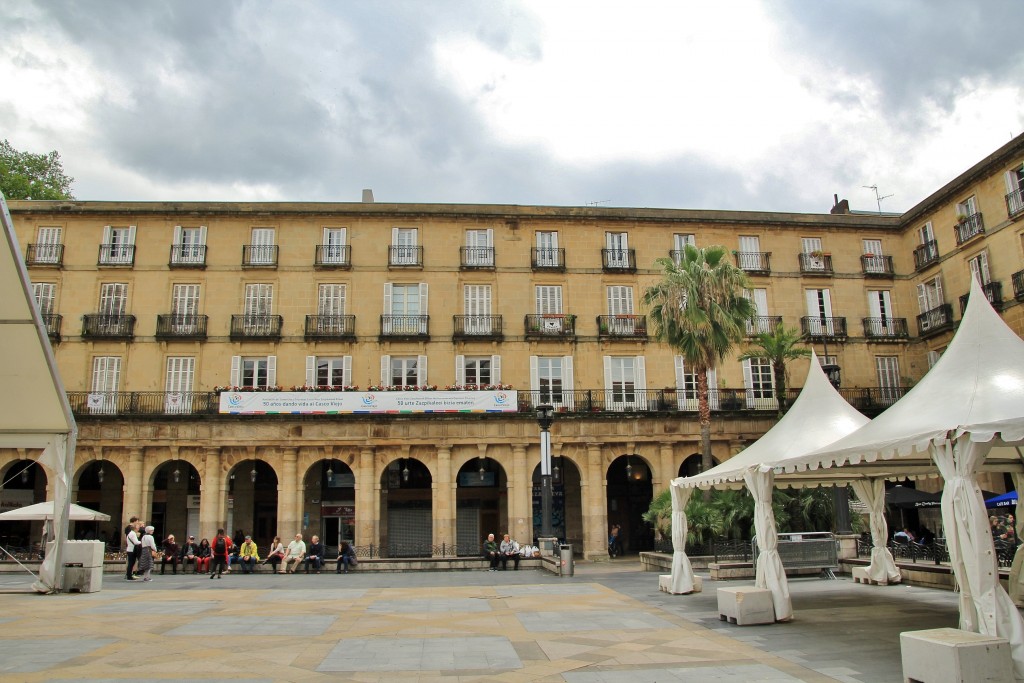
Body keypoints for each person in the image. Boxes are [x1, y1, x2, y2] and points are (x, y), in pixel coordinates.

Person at [124, 516, 141, 581]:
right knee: (131, 563)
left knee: (131, 563)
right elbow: (136, 542)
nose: (138, 528)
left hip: (130, 549)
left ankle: (129, 575)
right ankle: (129, 576)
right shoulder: (133, 533)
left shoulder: (130, 533)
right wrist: (141, 542)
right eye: (137, 527)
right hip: (132, 550)